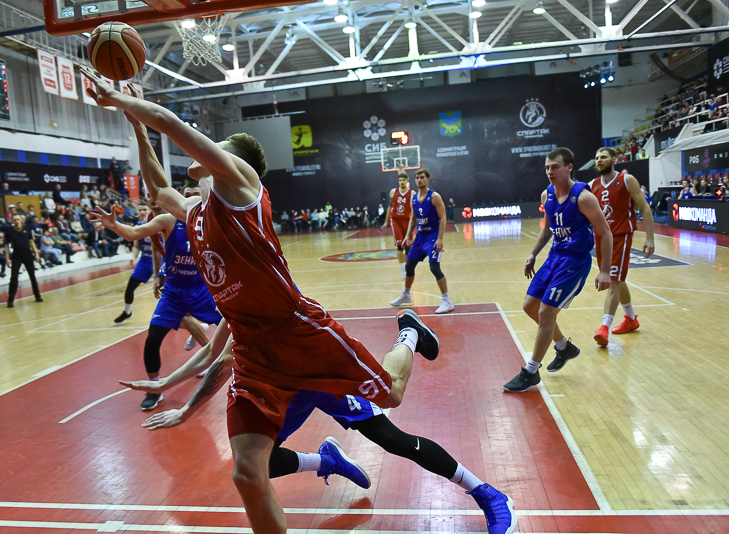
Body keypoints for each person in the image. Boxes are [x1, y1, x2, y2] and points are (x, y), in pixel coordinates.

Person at [79, 70, 499, 534]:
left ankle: (409, 332)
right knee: (247, 472)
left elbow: (170, 123)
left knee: (392, 397)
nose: (201, 157)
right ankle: (324, 460)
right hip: (256, 354)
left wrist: (124, 101)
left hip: (296, 333)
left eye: (214, 151)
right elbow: (159, 189)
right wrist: (136, 129)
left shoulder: (242, 188)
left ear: (228, 162)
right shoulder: (196, 213)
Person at [121, 322, 517, 534]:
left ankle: (488, 493)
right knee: (258, 466)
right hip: (282, 389)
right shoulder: (230, 291)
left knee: (392, 438)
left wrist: (184, 409)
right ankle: (326, 460)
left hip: (319, 374)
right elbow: (214, 353)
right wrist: (166, 385)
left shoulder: (259, 282)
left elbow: (222, 360)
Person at [91, 178, 222, 412]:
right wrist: (114, 225)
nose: (191, 198)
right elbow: (134, 233)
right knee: (152, 341)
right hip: (173, 292)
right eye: (187, 194)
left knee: (237, 329)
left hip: (202, 290)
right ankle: (154, 388)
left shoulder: (213, 221)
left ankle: (250, 373)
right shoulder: (168, 220)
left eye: (196, 193)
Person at [503, 148, 612, 392]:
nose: (550, 172)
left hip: (574, 262)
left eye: (555, 167)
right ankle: (564, 347)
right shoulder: (547, 195)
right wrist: (533, 253)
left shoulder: (583, 198)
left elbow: (605, 232)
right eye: (547, 168)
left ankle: (531, 371)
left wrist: (605, 270)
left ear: (569, 167)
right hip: (554, 257)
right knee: (529, 307)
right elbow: (547, 229)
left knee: (546, 312)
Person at [589, 148, 655, 346]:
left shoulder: (627, 180)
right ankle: (631, 319)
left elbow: (645, 208)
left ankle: (604, 328)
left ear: (614, 159)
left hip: (621, 236)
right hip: (602, 238)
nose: (599, 160)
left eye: (604, 157)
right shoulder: (592, 185)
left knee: (613, 280)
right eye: (597, 158)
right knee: (618, 279)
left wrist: (649, 238)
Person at [390, 168, 454, 314]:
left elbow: (443, 217)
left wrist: (440, 238)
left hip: (432, 236)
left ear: (428, 179)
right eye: (417, 178)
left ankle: (446, 300)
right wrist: (407, 235)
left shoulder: (434, 197)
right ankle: (406, 294)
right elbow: (413, 218)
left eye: (422, 177)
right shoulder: (413, 198)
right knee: (409, 265)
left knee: (434, 267)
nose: (419, 180)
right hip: (420, 237)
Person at [113, 203, 155, 324]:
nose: (142, 212)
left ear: (149, 210)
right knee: (130, 288)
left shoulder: (158, 223)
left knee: (166, 290)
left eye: (144, 209)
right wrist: (133, 257)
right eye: (140, 210)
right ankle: (127, 312)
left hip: (161, 261)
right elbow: (137, 246)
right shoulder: (138, 227)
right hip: (145, 262)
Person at [3, 214, 42, 307]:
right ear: (12, 221)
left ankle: (37, 296)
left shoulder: (27, 228)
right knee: (14, 278)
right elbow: (6, 245)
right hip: (16, 255)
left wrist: (36, 253)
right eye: (14, 220)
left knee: (32, 276)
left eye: (18, 219)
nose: (16, 221)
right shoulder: (9, 231)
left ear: (21, 220)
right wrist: (7, 258)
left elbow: (31, 241)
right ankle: (10, 300)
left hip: (27, 254)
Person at [382, 171, 414, 280]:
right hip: (395, 220)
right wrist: (386, 222)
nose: (401, 182)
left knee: (408, 247)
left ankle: (407, 268)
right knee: (400, 246)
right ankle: (403, 270)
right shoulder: (393, 192)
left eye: (403, 180)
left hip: (407, 221)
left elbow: (414, 210)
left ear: (407, 181)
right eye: (400, 180)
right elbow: (390, 207)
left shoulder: (412, 193)